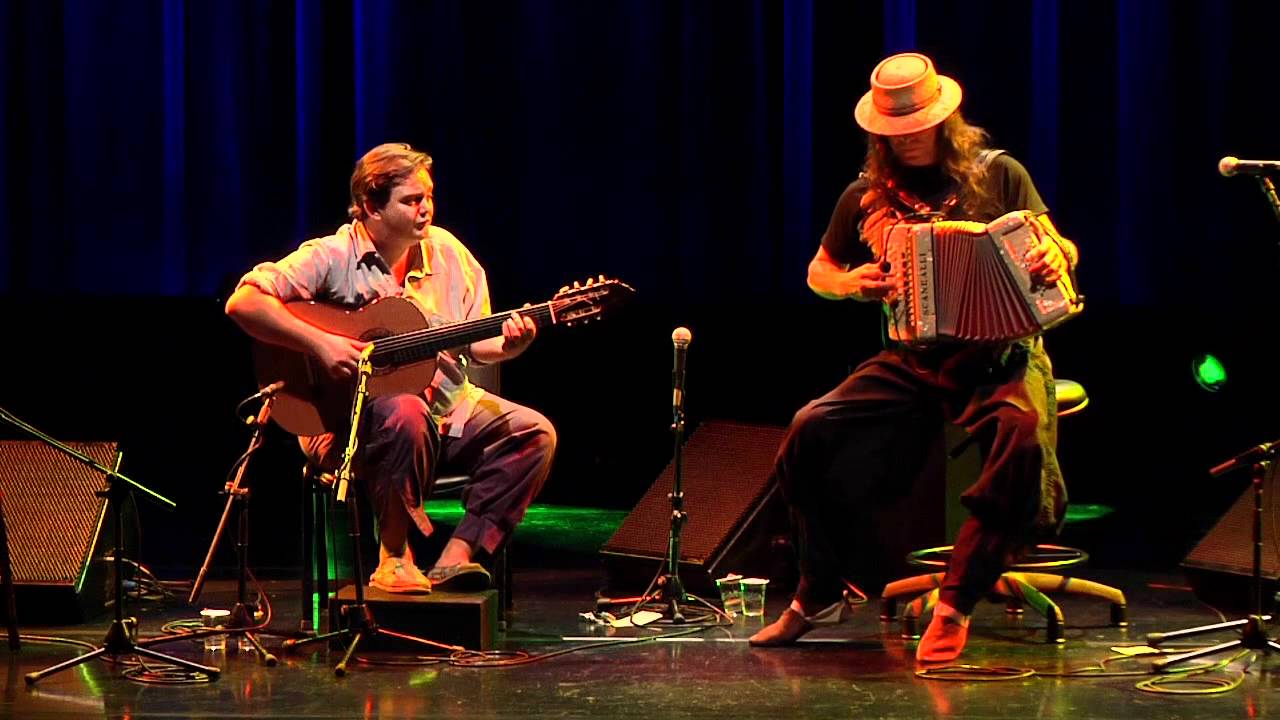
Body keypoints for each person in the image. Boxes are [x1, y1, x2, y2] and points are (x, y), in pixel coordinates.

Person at [747, 53, 1078, 663]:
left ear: (945, 120)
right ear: (880, 132)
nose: (910, 137)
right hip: (914, 357)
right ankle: (818, 590)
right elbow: (819, 270)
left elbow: (1058, 243)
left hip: (1000, 354)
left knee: (1022, 435)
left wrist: (1055, 257)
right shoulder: (865, 195)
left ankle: (955, 602)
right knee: (808, 429)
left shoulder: (998, 175)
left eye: (920, 124)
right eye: (896, 130)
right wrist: (852, 284)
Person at [225, 142, 556, 593]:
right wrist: (321, 344)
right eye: (412, 200)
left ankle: (457, 557)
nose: (426, 210)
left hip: (446, 411)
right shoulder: (332, 256)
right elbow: (243, 303)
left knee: (534, 432)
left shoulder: (449, 254)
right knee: (405, 412)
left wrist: (513, 344)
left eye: (429, 197)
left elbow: (479, 343)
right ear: (370, 206)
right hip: (346, 425)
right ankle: (394, 556)